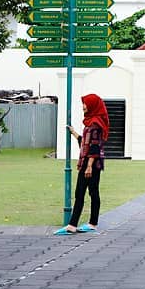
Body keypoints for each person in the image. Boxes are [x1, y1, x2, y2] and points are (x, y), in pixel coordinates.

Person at [58, 94, 109, 234]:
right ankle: (92, 224)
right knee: (93, 192)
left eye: (85, 104)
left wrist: (89, 166)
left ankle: (72, 226)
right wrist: (73, 132)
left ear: (92, 105)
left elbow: (94, 146)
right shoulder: (92, 122)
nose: (83, 107)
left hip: (91, 163)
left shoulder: (95, 124)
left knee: (80, 192)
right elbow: (85, 142)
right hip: (93, 163)